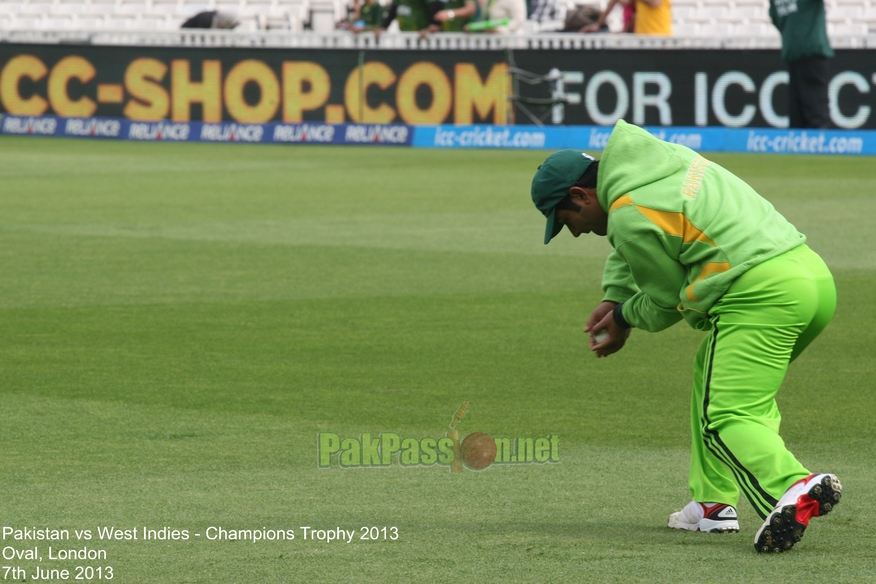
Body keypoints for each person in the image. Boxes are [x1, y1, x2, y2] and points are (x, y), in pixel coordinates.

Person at [530, 120, 842, 553]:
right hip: (810, 277)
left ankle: (796, 485)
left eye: (567, 220)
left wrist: (623, 317)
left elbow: (665, 300)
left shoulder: (626, 215)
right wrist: (616, 294)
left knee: (727, 414)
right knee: (717, 380)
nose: (576, 231)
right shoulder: (659, 162)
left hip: (759, 293)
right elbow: (639, 236)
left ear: (581, 196)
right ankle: (712, 505)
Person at [769, 0, 833, 128]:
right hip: (801, 57)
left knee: (812, 116)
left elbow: (776, 18)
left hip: (809, 56)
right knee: (801, 118)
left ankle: (820, 146)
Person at [583, 0, 668, 35]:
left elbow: (655, 3)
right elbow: (612, 4)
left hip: (652, 32)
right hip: (639, 31)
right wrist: (598, 24)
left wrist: (624, 31)